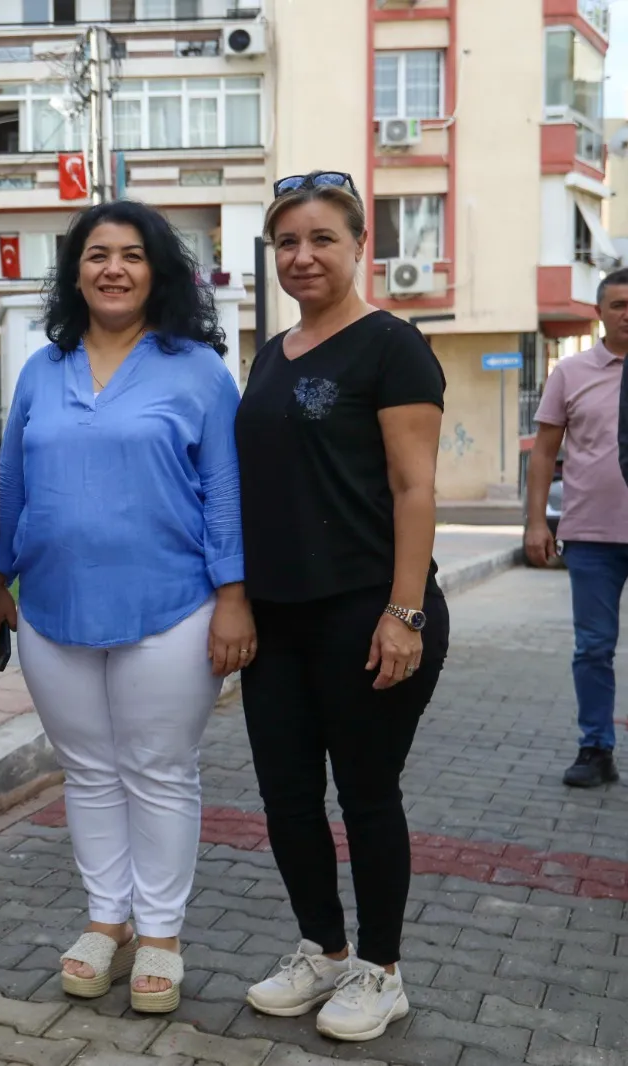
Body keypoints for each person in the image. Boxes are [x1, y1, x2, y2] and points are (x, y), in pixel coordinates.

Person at [0, 201, 248, 1014]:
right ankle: (109, 921)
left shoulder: (198, 369)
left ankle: (161, 932)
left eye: (132, 255)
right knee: (90, 773)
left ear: (158, 271)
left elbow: (225, 494)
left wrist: (235, 597)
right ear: (75, 272)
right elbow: (11, 485)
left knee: (159, 771)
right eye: (97, 255)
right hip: (53, 610)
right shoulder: (41, 369)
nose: (113, 269)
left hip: (172, 609)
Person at [235, 172, 447, 1043]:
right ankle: (322, 950)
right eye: (287, 241)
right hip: (277, 618)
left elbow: (414, 486)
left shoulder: (391, 345)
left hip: (366, 612)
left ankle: (382, 971)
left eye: (322, 237)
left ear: (359, 246)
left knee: (365, 794)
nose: (303, 255)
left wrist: (405, 613)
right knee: (286, 796)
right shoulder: (269, 353)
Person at [533, 269, 628, 788]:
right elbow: (545, 451)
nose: (627, 313)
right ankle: (596, 748)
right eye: (617, 304)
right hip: (591, 536)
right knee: (593, 648)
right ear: (599, 312)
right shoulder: (570, 372)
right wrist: (533, 524)